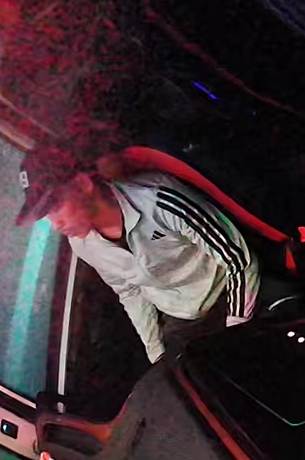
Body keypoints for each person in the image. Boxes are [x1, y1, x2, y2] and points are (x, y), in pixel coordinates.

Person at [16, 146, 259, 363]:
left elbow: (237, 259)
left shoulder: (158, 201)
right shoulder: (82, 245)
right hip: (180, 318)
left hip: (230, 291)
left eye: (56, 205)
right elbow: (129, 291)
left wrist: (236, 331)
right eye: (46, 214)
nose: (56, 224)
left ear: (82, 184)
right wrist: (156, 354)